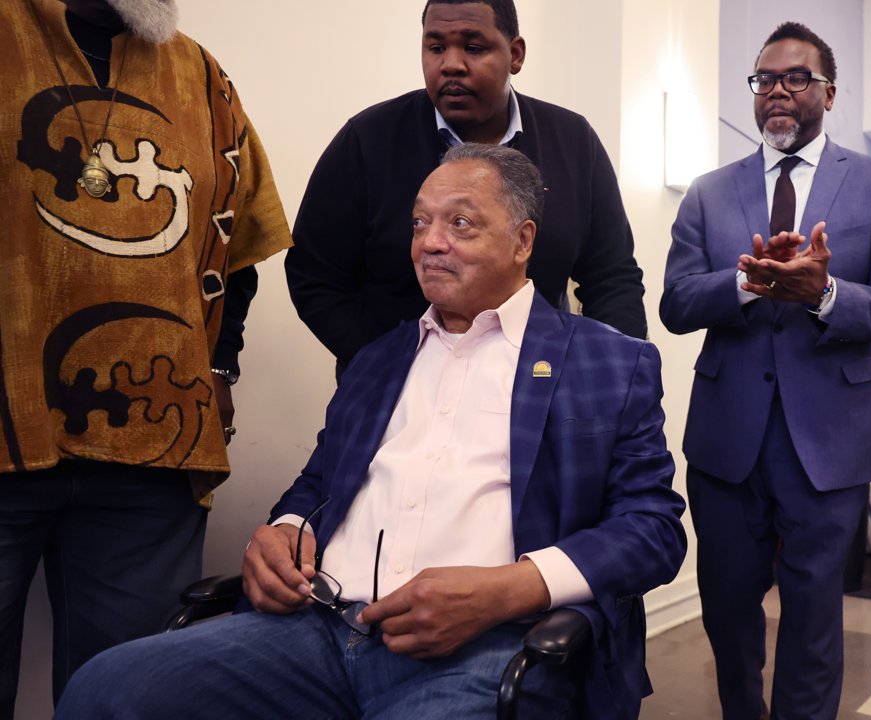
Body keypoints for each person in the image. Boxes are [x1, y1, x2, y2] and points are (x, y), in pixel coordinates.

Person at [56, 144, 687, 720]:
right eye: (420, 223)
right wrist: (282, 534)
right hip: (314, 630)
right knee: (105, 687)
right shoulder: (379, 360)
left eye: (460, 223)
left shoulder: (610, 362)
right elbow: (317, 484)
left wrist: (511, 588)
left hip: (488, 646)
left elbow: (653, 528)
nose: (430, 243)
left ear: (523, 242)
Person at [0, 0, 291, 714]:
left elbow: (239, 248)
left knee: (129, 693)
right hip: (6, 427)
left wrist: (221, 368)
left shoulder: (203, 79)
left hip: (150, 438)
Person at [659, 21, 871, 720]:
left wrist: (824, 294)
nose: (777, 90)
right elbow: (676, 304)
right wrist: (746, 283)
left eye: (795, 77)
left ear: (829, 93)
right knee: (726, 612)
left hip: (830, 443)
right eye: (764, 79)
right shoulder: (709, 192)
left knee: (813, 620)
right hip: (726, 441)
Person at [286, 0, 646, 379]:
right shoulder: (368, 140)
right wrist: (386, 364)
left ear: (515, 54)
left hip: (537, 391)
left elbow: (612, 277)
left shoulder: (572, 142)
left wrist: (616, 378)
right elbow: (315, 276)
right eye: (436, 47)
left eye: (473, 48)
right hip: (397, 395)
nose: (451, 64)